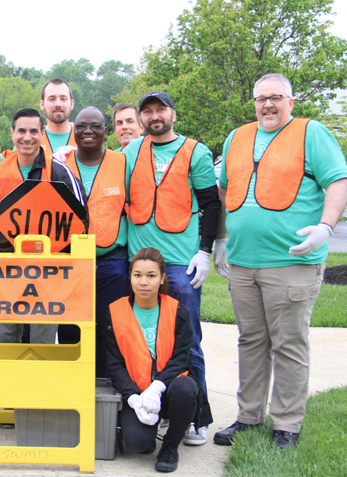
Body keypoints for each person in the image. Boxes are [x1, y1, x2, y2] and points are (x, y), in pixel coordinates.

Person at [213, 73, 347, 450]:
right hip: (243, 263)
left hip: (290, 262)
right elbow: (225, 187)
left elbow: (337, 181)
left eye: (276, 97)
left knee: (288, 343)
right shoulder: (237, 136)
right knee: (250, 341)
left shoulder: (311, 132)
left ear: (291, 100)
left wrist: (326, 226)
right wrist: (221, 238)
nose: (267, 105)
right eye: (261, 99)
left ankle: (287, 424)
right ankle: (248, 416)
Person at [123, 91, 220, 445]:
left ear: (173, 114)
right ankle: (141, 407)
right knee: (135, 340)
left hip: (180, 262)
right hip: (137, 263)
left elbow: (211, 203)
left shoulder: (195, 151)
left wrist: (205, 250)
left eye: (160, 109)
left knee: (188, 340)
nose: (154, 116)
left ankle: (197, 416)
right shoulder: (131, 151)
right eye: (147, 111)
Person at [0, 108, 87, 344]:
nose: (28, 137)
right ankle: (8, 379)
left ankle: (40, 380)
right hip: (7, 268)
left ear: (42, 133)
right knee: (6, 333)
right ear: (12, 134)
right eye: (22, 131)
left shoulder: (58, 170)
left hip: (49, 269)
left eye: (34, 131)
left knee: (43, 335)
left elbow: (80, 219)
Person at [102, 247, 211, 473]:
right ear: (130, 277)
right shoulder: (113, 313)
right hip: (139, 394)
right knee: (137, 444)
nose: (144, 282)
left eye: (151, 276)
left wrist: (157, 387)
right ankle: (147, 433)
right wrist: (132, 397)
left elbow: (181, 358)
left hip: (169, 387)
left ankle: (170, 446)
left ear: (162, 278)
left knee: (186, 389)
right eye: (137, 275)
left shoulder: (177, 311)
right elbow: (115, 365)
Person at [58, 106, 130, 370]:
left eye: (96, 126)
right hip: (69, 262)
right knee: (70, 325)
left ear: (105, 131)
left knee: (110, 325)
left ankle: (108, 382)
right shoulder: (60, 164)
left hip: (112, 262)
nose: (88, 131)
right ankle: (71, 379)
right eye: (82, 126)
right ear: (73, 131)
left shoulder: (122, 163)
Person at [39, 79, 77, 155]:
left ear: (72, 104)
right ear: (42, 104)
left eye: (63, 99)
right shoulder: (30, 138)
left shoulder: (83, 137)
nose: (58, 104)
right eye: (52, 99)